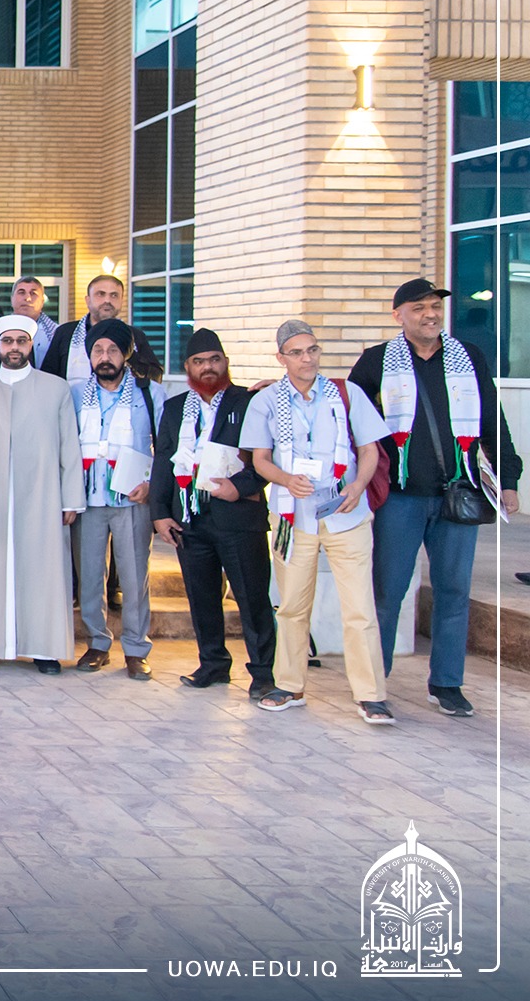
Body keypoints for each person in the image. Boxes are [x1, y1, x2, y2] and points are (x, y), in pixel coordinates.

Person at [351, 278, 522, 719]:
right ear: (398, 315)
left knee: (454, 591)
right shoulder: (376, 361)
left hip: (458, 494)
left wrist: (508, 479)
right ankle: (374, 683)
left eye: (435, 306)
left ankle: (447, 683)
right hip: (400, 498)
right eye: (419, 307)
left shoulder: (469, 357)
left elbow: (492, 419)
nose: (430, 314)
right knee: (387, 592)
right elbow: (349, 418)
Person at [243, 319, 393, 724]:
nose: (307, 359)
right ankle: (289, 685)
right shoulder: (266, 401)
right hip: (293, 516)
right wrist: (285, 479)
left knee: (359, 607)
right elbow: (260, 459)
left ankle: (371, 694)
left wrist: (358, 486)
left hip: (346, 513)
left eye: (312, 350)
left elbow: (370, 450)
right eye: (296, 352)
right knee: (292, 605)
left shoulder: (346, 394)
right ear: (281, 358)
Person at [151, 327, 276, 697]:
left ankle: (264, 673)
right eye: (199, 361)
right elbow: (164, 460)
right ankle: (213, 664)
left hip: (238, 518)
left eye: (214, 360)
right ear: (188, 367)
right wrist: (160, 512)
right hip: (190, 519)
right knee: (201, 596)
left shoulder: (250, 402)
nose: (207, 367)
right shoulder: (175, 408)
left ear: (226, 362)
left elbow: (267, 458)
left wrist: (242, 487)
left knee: (252, 598)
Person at [0, 317, 85, 674]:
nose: (14, 347)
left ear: (30, 345)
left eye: (21, 341)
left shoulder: (55, 388)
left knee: (42, 570)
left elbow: (69, 445)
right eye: (7, 341)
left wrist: (71, 499)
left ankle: (44, 648)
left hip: (42, 497)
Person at [70, 319, 167, 680]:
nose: (105, 357)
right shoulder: (75, 394)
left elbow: (165, 448)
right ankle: (98, 642)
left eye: (113, 350)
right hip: (89, 498)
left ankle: (136, 648)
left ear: (126, 354)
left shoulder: (150, 394)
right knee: (90, 576)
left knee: (134, 576)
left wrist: (152, 484)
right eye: (98, 350)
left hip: (133, 499)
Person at [40, 274, 157, 382]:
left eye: (114, 295)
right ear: (88, 300)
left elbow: (154, 375)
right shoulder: (66, 333)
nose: (107, 300)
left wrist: (129, 355)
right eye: (101, 294)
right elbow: (48, 377)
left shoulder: (134, 336)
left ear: (122, 300)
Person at [9, 275, 59, 367]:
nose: (27, 298)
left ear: (42, 301)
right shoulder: (1, 330)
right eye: (21, 292)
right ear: (12, 298)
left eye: (33, 293)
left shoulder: (56, 333)